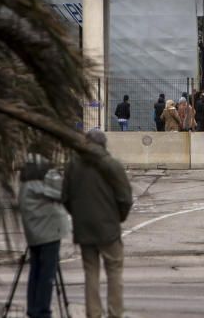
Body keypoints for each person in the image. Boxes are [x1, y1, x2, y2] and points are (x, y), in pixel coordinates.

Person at [63, 130, 133, 318]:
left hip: (84, 227)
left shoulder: (72, 166)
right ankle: (114, 313)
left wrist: (78, 215)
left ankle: (93, 314)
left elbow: (65, 197)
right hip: (108, 228)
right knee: (114, 270)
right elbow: (125, 198)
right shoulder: (112, 164)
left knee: (90, 272)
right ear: (103, 145)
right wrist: (118, 218)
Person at [18, 144, 69, 318]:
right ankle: (42, 311)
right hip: (49, 232)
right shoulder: (45, 172)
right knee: (47, 274)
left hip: (33, 231)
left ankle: (33, 308)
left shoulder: (26, 173)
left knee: (35, 271)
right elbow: (62, 192)